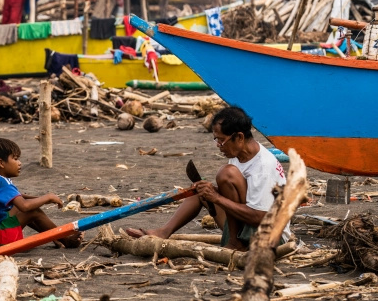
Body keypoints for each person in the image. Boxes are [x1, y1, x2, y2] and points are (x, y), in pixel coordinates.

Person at [124, 107, 290, 251]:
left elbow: (260, 217)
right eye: (216, 139)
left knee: (226, 174)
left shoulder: (263, 167)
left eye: (221, 140)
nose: (218, 145)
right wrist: (211, 192)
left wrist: (217, 197)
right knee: (200, 191)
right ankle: (164, 232)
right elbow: (239, 196)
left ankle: (235, 243)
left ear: (239, 137)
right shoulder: (238, 155)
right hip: (247, 228)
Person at [0, 138, 83, 254]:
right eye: (15, 159)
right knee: (33, 212)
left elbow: (19, 198)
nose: (19, 163)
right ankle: (65, 239)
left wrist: (41, 199)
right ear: (1, 163)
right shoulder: (0, 182)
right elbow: (25, 206)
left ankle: (55, 237)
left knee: (20, 208)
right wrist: (48, 197)